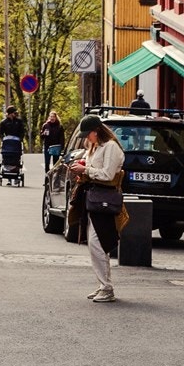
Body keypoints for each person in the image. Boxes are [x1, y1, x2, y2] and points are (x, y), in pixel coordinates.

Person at [66, 114, 124, 303]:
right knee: (96, 243)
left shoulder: (111, 147)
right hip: (94, 197)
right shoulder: (94, 146)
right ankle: (103, 285)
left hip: (104, 198)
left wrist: (86, 171)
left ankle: (107, 287)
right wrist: (81, 169)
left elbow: (107, 174)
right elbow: (93, 170)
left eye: (88, 134)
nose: (86, 138)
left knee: (98, 242)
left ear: (97, 131)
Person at [39, 110, 66, 175]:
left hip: (56, 146)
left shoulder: (59, 126)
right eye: (51, 116)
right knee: (47, 162)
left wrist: (62, 146)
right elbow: (41, 136)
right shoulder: (45, 125)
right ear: (49, 117)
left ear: (56, 117)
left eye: (53, 117)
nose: (52, 118)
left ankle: (54, 176)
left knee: (55, 162)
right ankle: (47, 175)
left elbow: (62, 137)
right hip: (47, 146)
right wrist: (44, 134)